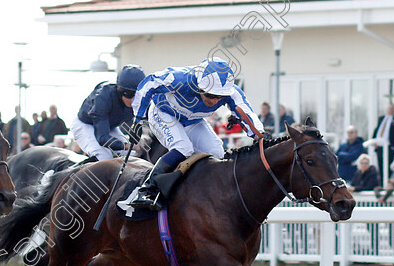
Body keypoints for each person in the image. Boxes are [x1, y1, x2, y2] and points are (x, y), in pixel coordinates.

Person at [128, 57, 263, 210]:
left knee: (217, 151)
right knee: (183, 147)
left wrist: (260, 137)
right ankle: (147, 189)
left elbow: (249, 116)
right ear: (199, 86)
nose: (214, 101)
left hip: (193, 120)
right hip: (163, 113)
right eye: (210, 95)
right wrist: (138, 118)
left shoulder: (233, 93)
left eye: (219, 97)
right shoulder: (179, 78)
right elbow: (149, 83)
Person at [71, 64, 146, 161]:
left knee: (131, 155)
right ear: (119, 91)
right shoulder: (103, 98)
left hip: (110, 126)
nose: (133, 100)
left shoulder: (140, 102)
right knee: (104, 156)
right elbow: (102, 138)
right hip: (85, 125)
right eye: (129, 94)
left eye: (137, 96)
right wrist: (126, 145)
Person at [371, 103, 394, 180]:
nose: (390, 110)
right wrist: (374, 141)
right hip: (379, 147)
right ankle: (382, 182)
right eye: (389, 108)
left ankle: (388, 182)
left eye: (392, 108)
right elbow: (377, 130)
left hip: (389, 148)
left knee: (388, 167)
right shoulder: (381, 119)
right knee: (380, 166)